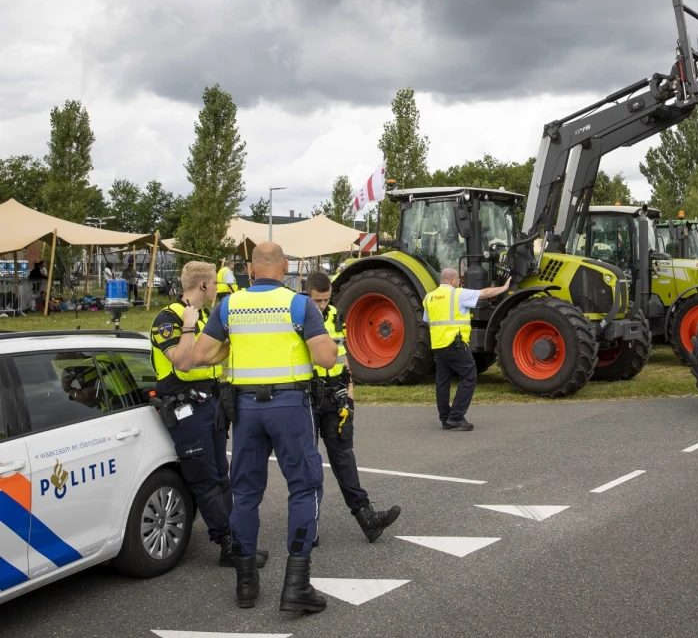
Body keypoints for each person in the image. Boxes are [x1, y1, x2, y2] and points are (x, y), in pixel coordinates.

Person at [191, 242, 337, 613]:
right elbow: (325, 357)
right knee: (304, 488)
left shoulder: (229, 305)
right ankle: (296, 586)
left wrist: (234, 346)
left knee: (245, 493)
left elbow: (200, 356)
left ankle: (245, 585)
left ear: (250, 270)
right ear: (286, 267)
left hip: (244, 408)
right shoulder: (299, 304)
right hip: (289, 405)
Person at [150, 261, 269, 569]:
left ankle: (237, 539)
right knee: (204, 479)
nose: (217, 290)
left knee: (221, 476)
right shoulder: (169, 319)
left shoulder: (203, 317)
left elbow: (210, 357)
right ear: (203, 285)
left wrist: (230, 344)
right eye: (215, 284)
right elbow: (185, 362)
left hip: (209, 404)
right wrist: (188, 325)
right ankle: (228, 543)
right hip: (185, 409)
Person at [305, 271, 401, 542]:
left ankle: (367, 518)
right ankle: (308, 526)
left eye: (325, 300)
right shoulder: (297, 314)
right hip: (307, 397)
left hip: (335, 396)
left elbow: (344, 356)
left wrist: (350, 395)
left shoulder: (336, 314)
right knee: (308, 464)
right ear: (306, 293)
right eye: (317, 300)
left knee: (344, 458)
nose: (321, 306)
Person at [422, 267, 509, 431]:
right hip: (455, 343)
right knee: (469, 374)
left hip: (438, 345)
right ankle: (456, 416)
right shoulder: (458, 294)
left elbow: (428, 320)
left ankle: (445, 419)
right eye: (457, 279)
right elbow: (485, 293)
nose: (459, 282)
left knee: (442, 382)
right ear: (451, 280)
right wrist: (504, 288)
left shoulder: (429, 297)